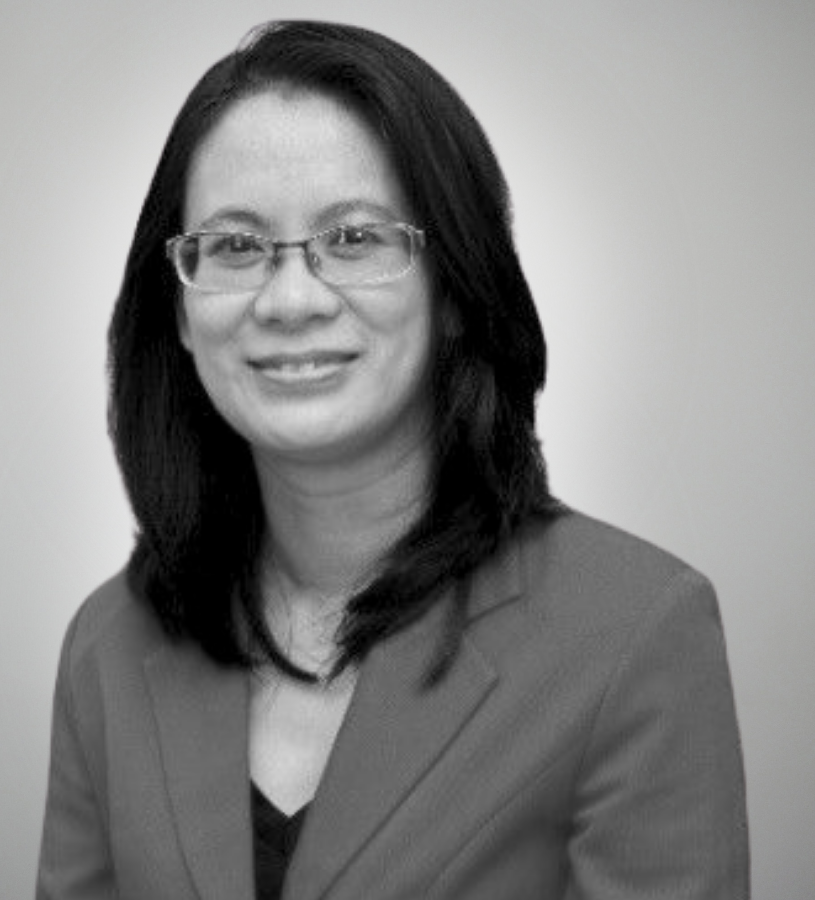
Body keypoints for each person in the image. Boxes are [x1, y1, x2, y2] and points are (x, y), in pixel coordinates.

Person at [36, 19, 749, 900]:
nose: (290, 299)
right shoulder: (108, 643)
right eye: (235, 247)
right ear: (180, 312)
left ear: (455, 289)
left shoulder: (634, 633)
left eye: (353, 239)